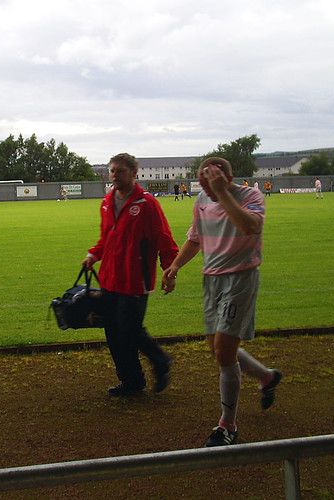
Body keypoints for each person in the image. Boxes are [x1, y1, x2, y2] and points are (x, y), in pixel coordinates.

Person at [162, 157, 282, 447]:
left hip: (240, 278)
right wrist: (175, 266)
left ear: (227, 178)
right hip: (211, 280)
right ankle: (267, 377)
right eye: (202, 183)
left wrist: (222, 193)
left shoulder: (251, 196)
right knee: (218, 350)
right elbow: (195, 239)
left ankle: (227, 425)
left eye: (211, 183)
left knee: (225, 351)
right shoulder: (202, 200)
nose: (205, 189)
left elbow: (250, 226)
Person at [82, 153, 179, 396]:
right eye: (112, 170)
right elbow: (107, 238)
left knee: (130, 329)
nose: (115, 175)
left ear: (134, 173)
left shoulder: (147, 203)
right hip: (109, 277)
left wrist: (170, 270)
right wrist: (93, 255)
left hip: (136, 278)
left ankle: (160, 360)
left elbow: (164, 239)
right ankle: (131, 381)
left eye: (120, 171)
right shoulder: (107, 201)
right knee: (113, 333)